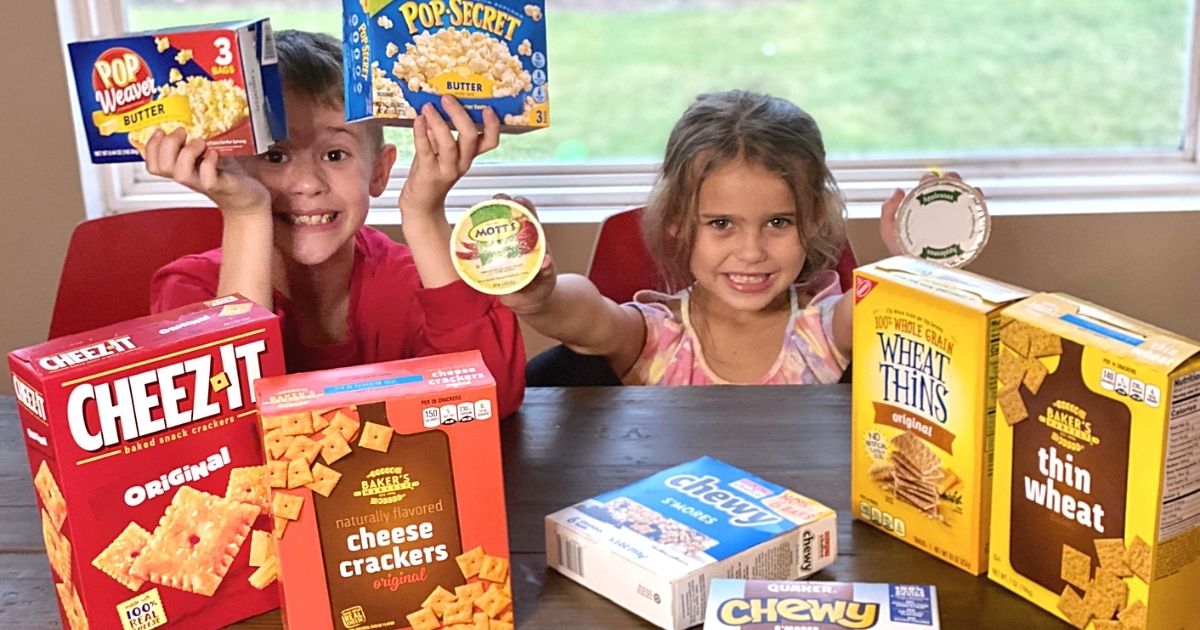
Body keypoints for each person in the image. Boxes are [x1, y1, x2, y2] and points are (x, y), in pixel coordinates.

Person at [146, 30, 525, 415]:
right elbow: (219, 424)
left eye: (335, 154)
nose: (309, 184)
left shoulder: (413, 280)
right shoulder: (190, 291)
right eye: (275, 157)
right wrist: (245, 213)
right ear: (229, 166)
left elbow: (492, 399)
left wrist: (424, 214)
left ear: (378, 173)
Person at [503, 89, 907, 385]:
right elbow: (590, 316)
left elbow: (885, 306)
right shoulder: (657, 337)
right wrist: (543, 297)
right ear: (677, 219)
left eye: (778, 223)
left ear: (815, 217)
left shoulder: (823, 329)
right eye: (721, 224)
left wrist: (915, 265)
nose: (751, 252)